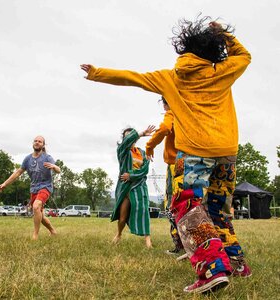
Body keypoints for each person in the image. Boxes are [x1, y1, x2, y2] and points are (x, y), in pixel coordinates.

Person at [80, 16, 252, 293]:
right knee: (218, 208)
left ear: (184, 49)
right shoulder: (224, 70)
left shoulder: (172, 77)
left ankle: (212, 269)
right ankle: (236, 261)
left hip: (195, 152)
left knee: (187, 205)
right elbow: (245, 55)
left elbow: (132, 77)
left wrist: (96, 72)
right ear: (212, 50)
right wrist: (225, 35)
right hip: (228, 151)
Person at [0, 136, 60, 240]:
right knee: (39, 213)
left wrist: (54, 167)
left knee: (36, 206)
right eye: (35, 141)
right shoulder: (27, 159)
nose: (37, 142)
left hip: (46, 187)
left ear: (43, 145)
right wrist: (4, 184)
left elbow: (58, 170)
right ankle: (53, 231)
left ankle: (35, 235)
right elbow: (18, 172)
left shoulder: (47, 157)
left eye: (40, 141)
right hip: (34, 188)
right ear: (33, 143)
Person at [145, 97, 185, 257]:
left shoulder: (172, 113)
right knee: (191, 204)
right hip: (195, 162)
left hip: (177, 165)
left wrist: (149, 146)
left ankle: (180, 246)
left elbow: (164, 128)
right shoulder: (188, 113)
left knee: (173, 205)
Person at [112, 125, 155, 248]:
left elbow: (145, 169)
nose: (129, 139)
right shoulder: (122, 151)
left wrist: (131, 175)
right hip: (125, 187)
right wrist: (141, 133)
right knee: (122, 216)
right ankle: (119, 234)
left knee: (143, 210)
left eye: (131, 137)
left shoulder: (142, 153)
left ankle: (148, 240)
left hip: (139, 185)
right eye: (126, 137)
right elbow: (127, 141)